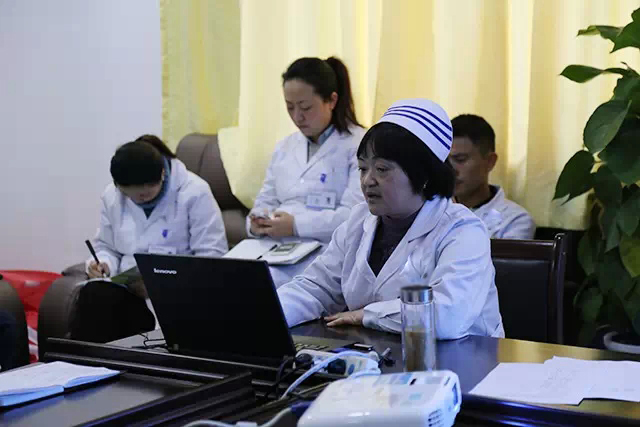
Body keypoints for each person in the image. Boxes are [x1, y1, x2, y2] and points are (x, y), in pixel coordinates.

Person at [277, 99, 504, 338]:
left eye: (382, 169)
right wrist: (264, 314)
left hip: (463, 357)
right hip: (379, 353)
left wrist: (366, 315)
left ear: (423, 174)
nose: (367, 181)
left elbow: (448, 315)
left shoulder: (462, 230)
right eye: (363, 168)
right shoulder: (358, 222)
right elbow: (314, 288)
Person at [70, 135, 228, 343]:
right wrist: (103, 264)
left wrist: (163, 284)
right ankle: (88, 361)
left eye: (146, 193)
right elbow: (107, 247)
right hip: (130, 294)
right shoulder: (112, 196)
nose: (140, 199)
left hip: (181, 296)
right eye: (131, 195)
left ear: (162, 174)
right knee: (94, 295)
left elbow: (212, 258)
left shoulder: (194, 193)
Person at [246, 57, 366, 286]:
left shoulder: (358, 145)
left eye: (305, 107)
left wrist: (295, 225)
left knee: (263, 287)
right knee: (222, 278)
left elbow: (353, 217)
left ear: (331, 100)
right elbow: (265, 200)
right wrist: (256, 223)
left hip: (322, 252)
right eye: (290, 107)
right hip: (272, 248)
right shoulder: (284, 147)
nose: (297, 117)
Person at [448, 114, 535, 239]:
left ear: (490, 161)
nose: (450, 169)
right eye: (445, 161)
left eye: (460, 159)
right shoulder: (432, 211)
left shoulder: (515, 221)